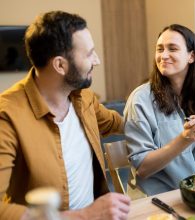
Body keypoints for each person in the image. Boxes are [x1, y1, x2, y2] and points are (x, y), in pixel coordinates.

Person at [0, 11, 130, 220]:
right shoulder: (7, 116)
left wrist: (162, 121)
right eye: (89, 54)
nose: (96, 60)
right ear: (60, 65)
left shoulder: (84, 97)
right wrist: (84, 215)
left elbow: (117, 123)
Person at [124, 24, 195, 195]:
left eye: (172, 49)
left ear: (191, 56)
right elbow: (143, 168)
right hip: (157, 199)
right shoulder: (140, 100)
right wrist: (184, 139)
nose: (163, 55)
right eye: (159, 49)